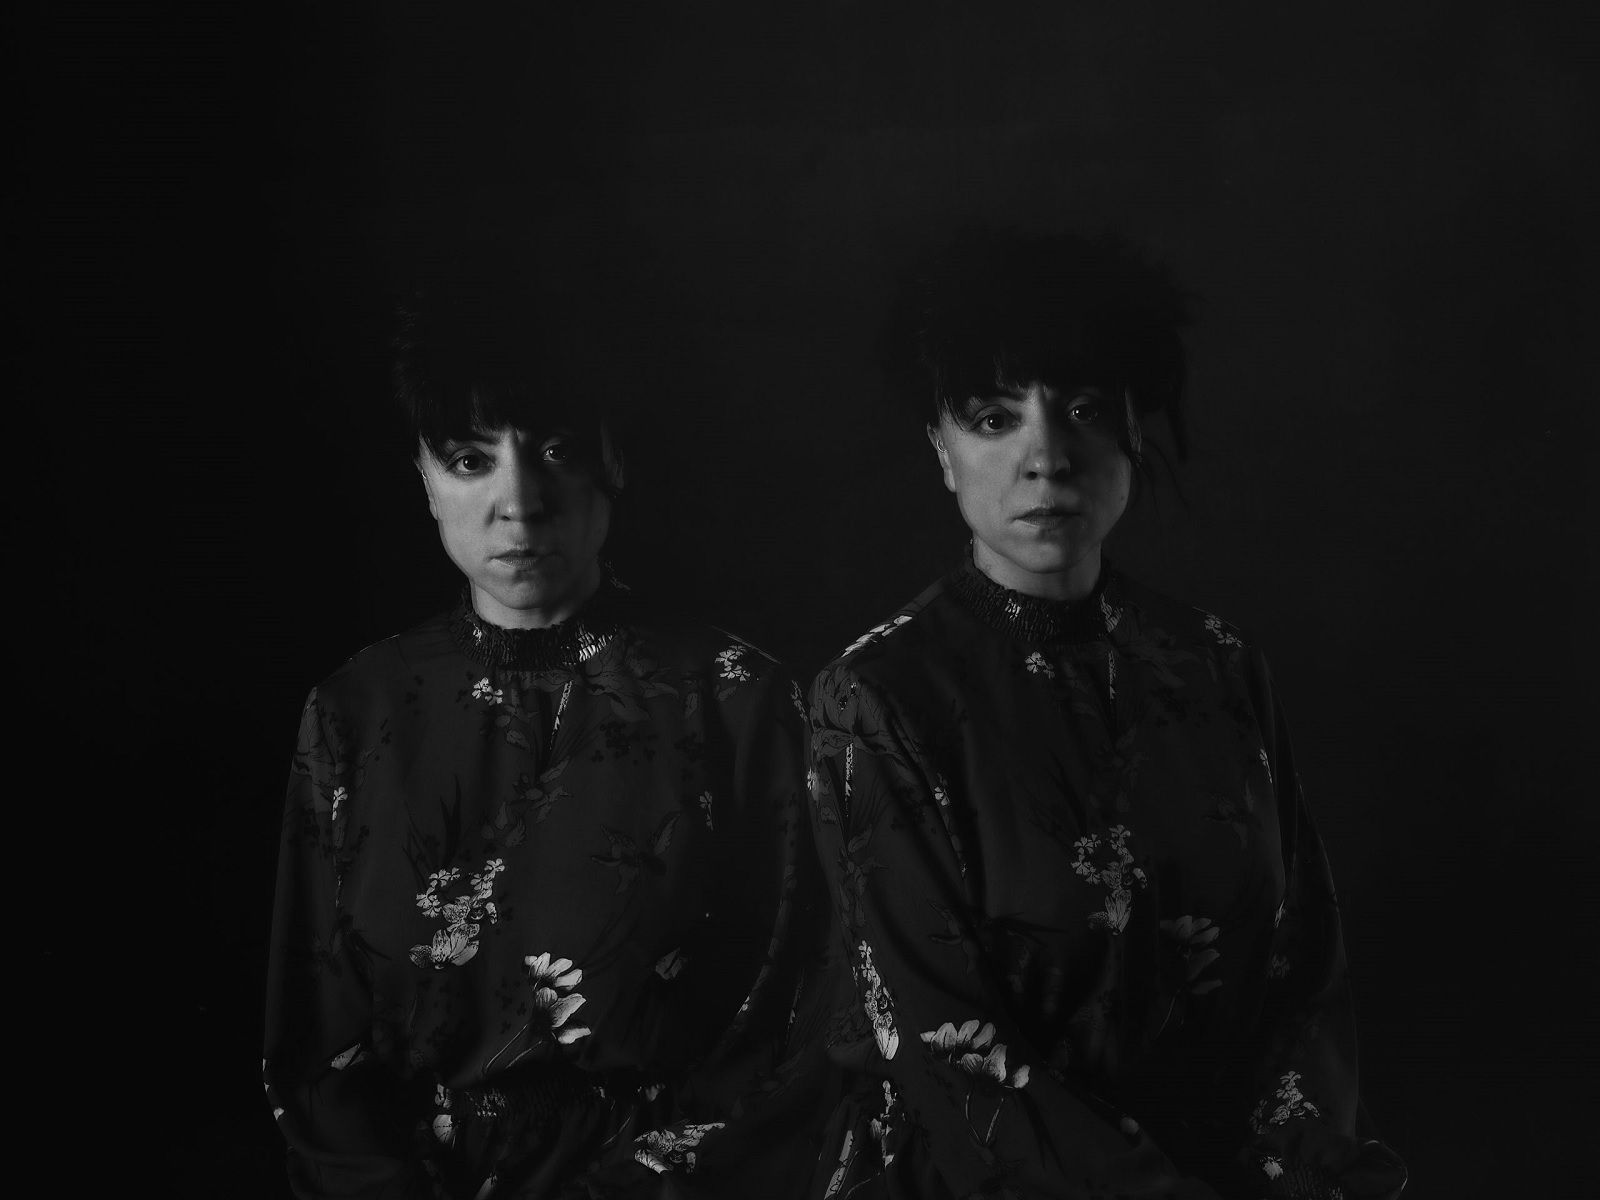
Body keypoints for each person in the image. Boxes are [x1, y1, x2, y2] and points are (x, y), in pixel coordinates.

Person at [798, 228, 1408, 1198]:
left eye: (1082, 409)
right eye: (994, 418)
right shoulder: (877, 697)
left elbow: (1302, 975)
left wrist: (1301, 1173)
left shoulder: (1214, 664)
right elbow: (943, 1044)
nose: (1046, 457)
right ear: (942, 451)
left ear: (1133, 430)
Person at [262, 256, 817, 1199]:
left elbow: (790, 1017)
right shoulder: (356, 710)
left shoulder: (736, 699)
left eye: (555, 451)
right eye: (470, 460)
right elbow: (316, 1043)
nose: (518, 503)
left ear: (614, 462)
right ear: (424, 478)